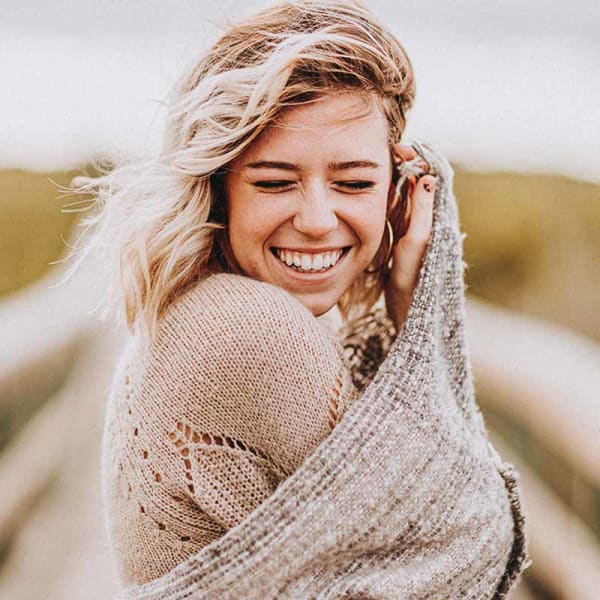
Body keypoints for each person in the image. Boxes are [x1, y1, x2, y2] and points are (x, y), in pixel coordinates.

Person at [68, 1, 531, 597]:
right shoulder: (249, 332)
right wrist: (421, 318)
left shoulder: (200, 306)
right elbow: (468, 534)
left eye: (354, 182)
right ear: (217, 190)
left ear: (397, 193)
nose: (316, 220)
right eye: (274, 181)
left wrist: (399, 309)